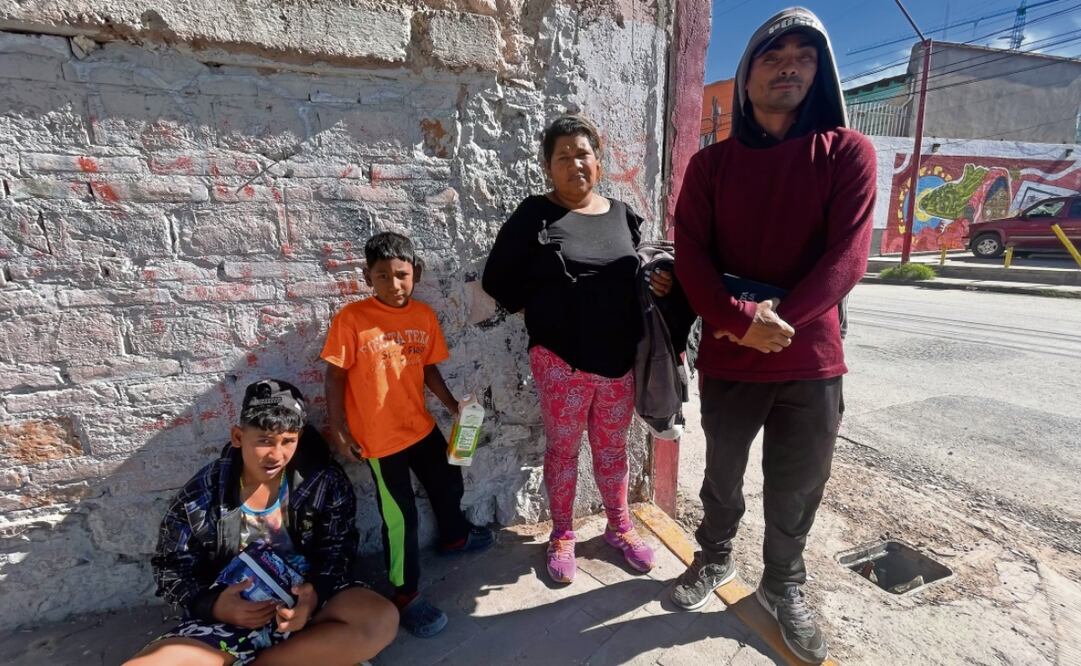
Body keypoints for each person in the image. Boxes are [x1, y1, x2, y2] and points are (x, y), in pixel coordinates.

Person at [670, 8, 875, 664]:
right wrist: (738, 321)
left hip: (811, 358)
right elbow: (690, 257)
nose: (789, 66)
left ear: (820, 72)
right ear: (746, 74)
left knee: (797, 483)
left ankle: (783, 583)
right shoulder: (710, 166)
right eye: (772, 55)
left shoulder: (847, 152)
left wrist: (776, 323)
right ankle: (714, 557)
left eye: (803, 56)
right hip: (731, 356)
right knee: (721, 474)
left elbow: (847, 257)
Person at [482, 114, 674, 584]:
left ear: (598, 160)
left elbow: (636, 275)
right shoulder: (534, 214)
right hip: (559, 361)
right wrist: (539, 310)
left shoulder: (622, 214)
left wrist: (659, 283)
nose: (574, 164)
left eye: (582, 153)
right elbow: (496, 278)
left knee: (612, 450)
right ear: (548, 167)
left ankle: (620, 528)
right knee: (564, 451)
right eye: (562, 156)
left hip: (618, 362)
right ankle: (563, 534)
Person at [126, 379, 398, 666]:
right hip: (232, 617)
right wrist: (214, 605)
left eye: (288, 441)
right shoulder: (202, 494)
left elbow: (338, 549)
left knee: (379, 620)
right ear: (238, 437)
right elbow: (170, 568)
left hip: (305, 608)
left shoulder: (323, 482)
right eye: (264, 441)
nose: (276, 455)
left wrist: (314, 595)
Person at [322, 231, 494, 638]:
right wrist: (340, 429)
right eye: (382, 276)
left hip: (420, 426)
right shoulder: (352, 319)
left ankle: (455, 537)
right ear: (367, 277)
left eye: (401, 275)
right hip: (379, 441)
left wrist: (452, 406)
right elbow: (334, 376)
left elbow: (428, 367)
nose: (393, 284)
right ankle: (405, 594)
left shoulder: (423, 316)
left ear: (415, 272)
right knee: (401, 519)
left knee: (448, 480)